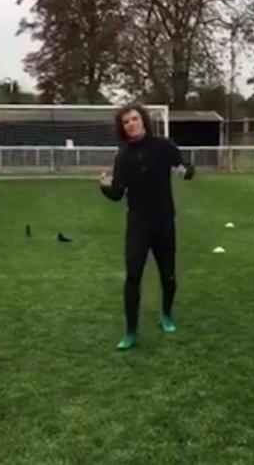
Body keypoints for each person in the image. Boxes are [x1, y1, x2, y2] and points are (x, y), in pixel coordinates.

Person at [99, 104, 195, 351]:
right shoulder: (123, 157)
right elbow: (118, 194)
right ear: (122, 128)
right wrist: (104, 187)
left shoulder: (163, 146)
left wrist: (188, 171)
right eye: (126, 122)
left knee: (168, 274)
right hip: (138, 222)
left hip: (163, 220)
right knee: (133, 275)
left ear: (143, 120)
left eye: (134, 118)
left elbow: (182, 167)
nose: (131, 123)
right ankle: (130, 332)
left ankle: (166, 315)